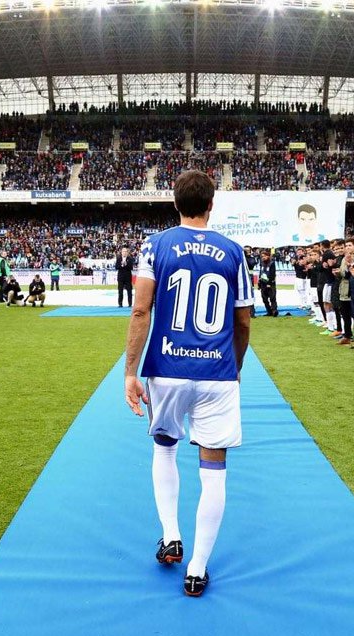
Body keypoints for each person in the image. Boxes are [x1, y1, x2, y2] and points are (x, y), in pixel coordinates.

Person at [124, 169, 253, 598]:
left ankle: (171, 534)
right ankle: (197, 568)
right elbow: (242, 319)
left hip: (167, 368)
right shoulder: (235, 251)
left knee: (165, 447)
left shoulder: (155, 244)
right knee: (213, 469)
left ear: (174, 203)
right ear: (211, 205)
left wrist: (130, 371)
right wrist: (233, 368)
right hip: (216, 372)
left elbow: (141, 311)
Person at [257, 249, 278, 316]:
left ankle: (274, 311)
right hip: (263, 283)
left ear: (268, 256)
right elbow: (260, 273)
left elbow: (272, 274)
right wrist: (259, 283)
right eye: (262, 256)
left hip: (270, 284)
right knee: (264, 299)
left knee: (272, 298)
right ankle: (269, 312)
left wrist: (269, 283)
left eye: (264, 256)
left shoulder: (272, 263)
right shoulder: (261, 263)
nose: (263, 257)